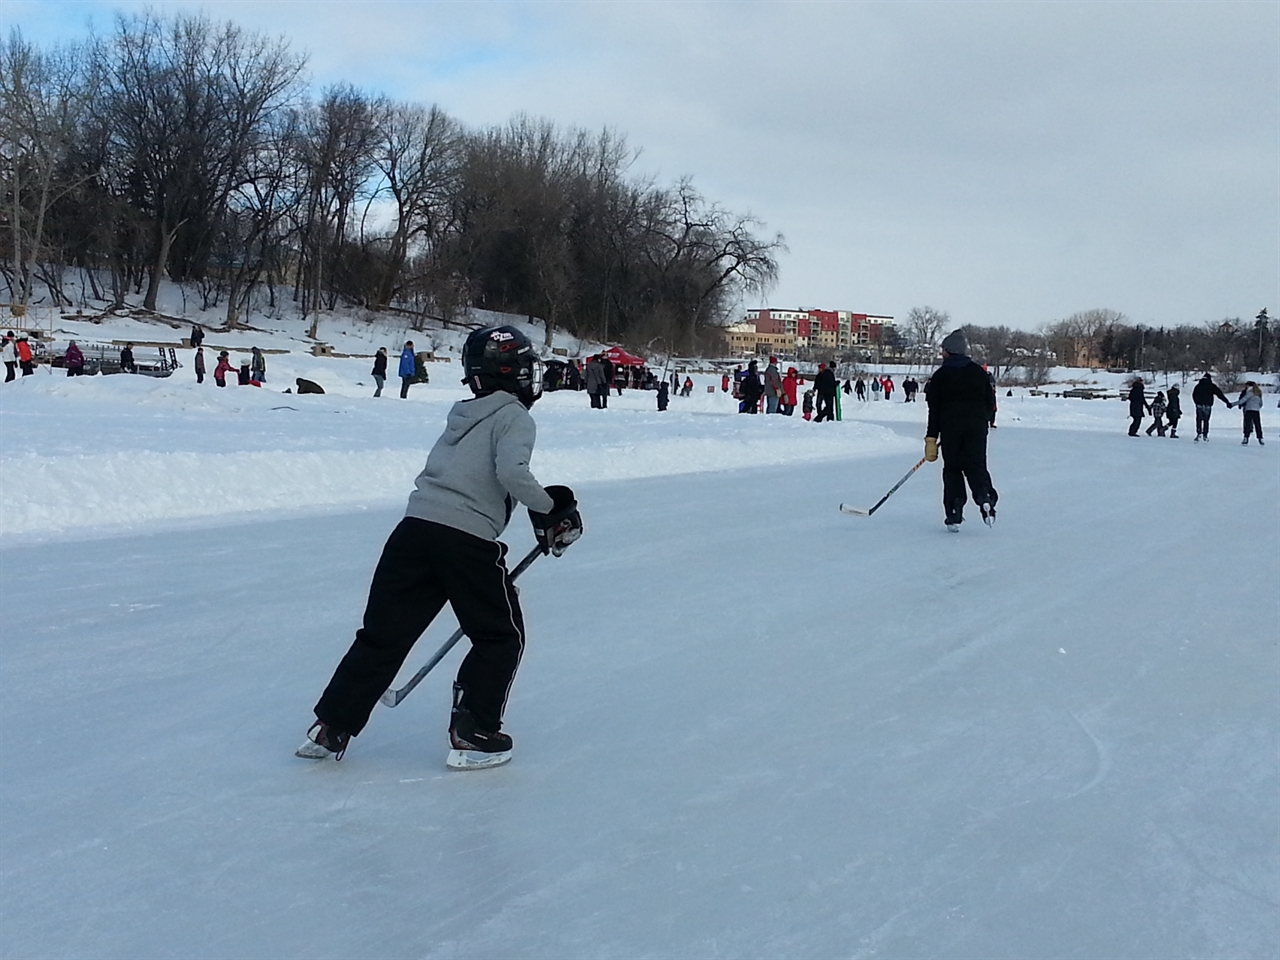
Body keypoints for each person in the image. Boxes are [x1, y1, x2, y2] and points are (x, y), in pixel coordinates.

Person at [296, 325, 582, 771]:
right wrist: (551, 509)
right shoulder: (514, 416)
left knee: (383, 637)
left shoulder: (465, 414)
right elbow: (510, 471)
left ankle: (331, 727)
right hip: (464, 542)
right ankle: (474, 732)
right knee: (499, 635)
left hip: (412, 533)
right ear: (512, 374)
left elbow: (477, 477)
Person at [924, 330, 998, 531]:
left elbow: (935, 409)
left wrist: (932, 437)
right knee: (976, 465)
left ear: (948, 351)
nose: (942, 353)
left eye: (943, 350)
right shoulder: (978, 373)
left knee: (953, 469)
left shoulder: (941, 375)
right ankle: (985, 498)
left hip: (951, 428)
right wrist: (983, 420)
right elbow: (989, 402)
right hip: (976, 428)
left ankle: (954, 511)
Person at [1191, 372, 1232, 441]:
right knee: (1206, 420)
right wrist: (1227, 402)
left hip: (1199, 405)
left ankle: (1199, 433)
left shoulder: (1198, 386)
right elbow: (1219, 394)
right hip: (1208, 405)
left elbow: (1194, 395)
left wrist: (1196, 402)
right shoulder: (1211, 386)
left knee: (1199, 419)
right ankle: (1205, 435)